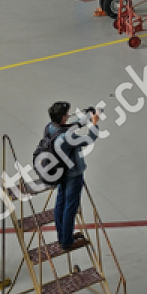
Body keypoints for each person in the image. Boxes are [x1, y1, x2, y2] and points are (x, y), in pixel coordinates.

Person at [45, 101, 102, 253]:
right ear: (63, 117)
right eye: (67, 115)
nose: (69, 116)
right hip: (73, 174)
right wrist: (94, 123)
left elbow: (69, 127)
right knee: (71, 207)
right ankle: (67, 241)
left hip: (61, 172)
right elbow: (90, 138)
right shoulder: (66, 139)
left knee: (60, 203)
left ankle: (62, 236)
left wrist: (86, 118)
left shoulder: (51, 127)